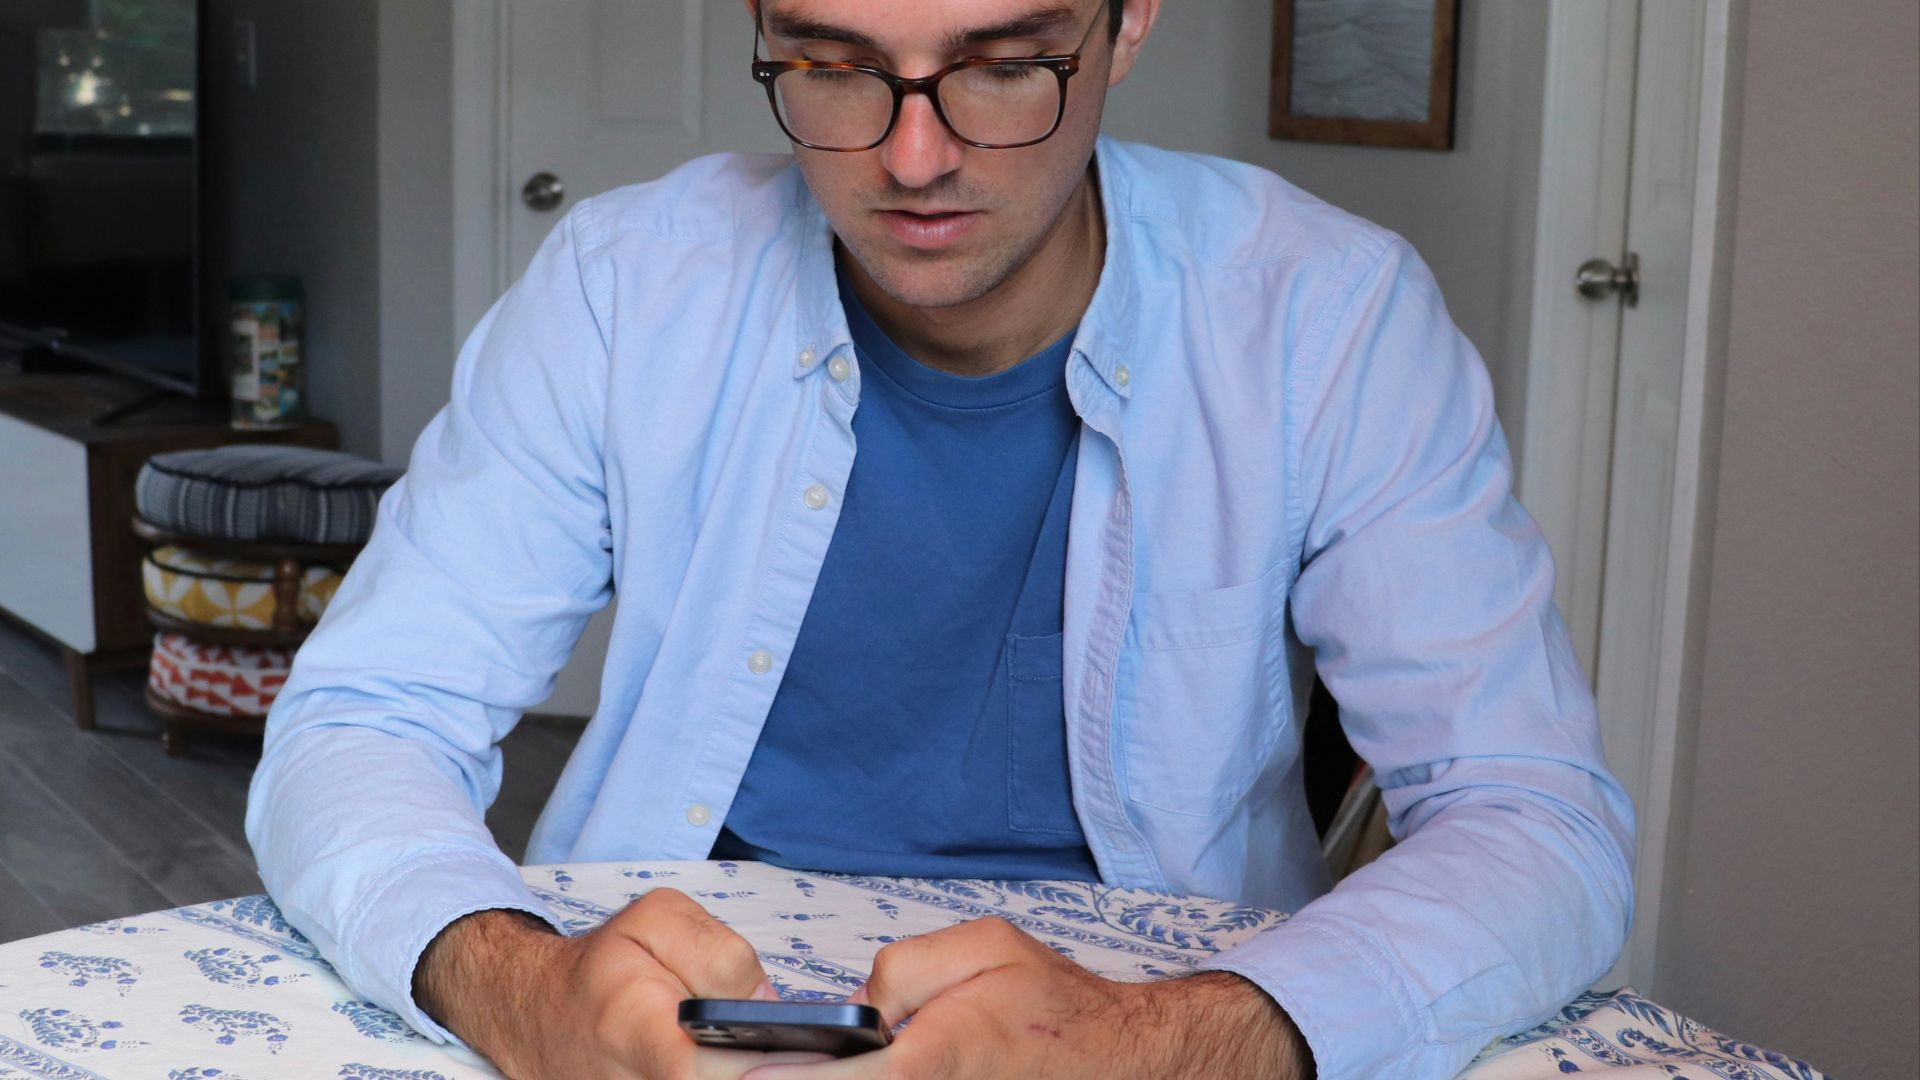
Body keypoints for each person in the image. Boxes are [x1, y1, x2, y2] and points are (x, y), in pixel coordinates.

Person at [247, 1, 1636, 1077]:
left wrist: (1168, 1048)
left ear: (1128, 24)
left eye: (1007, 65)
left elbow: (1535, 817)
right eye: (834, 65)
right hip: (692, 1006)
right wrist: (522, 989)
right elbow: (366, 717)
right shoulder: (622, 288)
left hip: (1154, 1016)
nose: (914, 161)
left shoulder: (1329, 317)